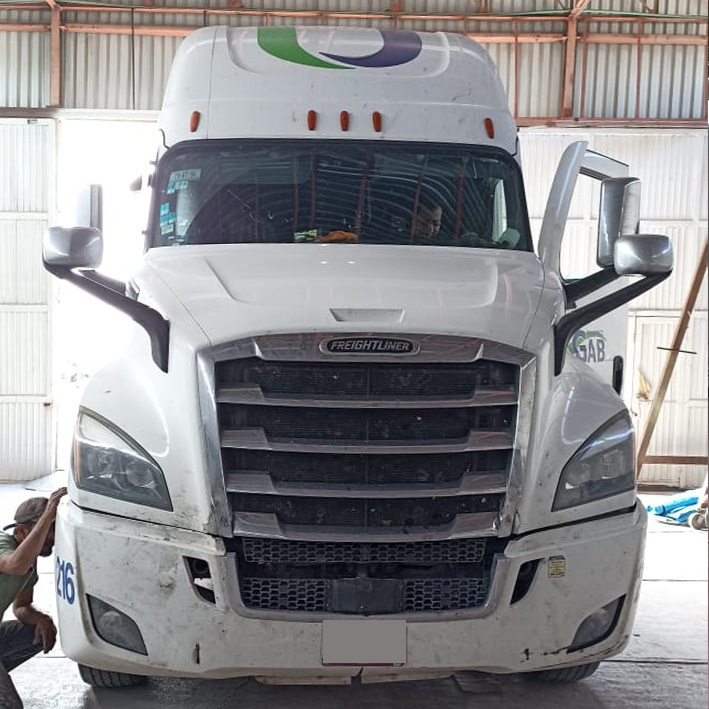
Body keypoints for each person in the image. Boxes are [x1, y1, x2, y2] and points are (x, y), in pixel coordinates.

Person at [0, 488, 67, 709]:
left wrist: (41, 619)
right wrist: (48, 514)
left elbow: (21, 607)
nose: (52, 538)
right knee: (9, 705)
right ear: (22, 531)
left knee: (34, 634)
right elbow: (15, 565)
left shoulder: (30, 560)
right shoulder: (3, 544)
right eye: (47, 530)